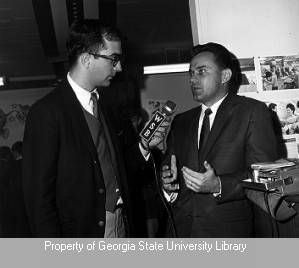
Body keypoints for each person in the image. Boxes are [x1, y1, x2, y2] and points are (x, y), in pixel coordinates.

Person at [22, 19, 168, 238]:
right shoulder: (47, 112)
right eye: (113, 59)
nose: (119, 67)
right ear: (87, 59)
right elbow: (38, 198)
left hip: (122, 224)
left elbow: (116, 169)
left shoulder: (108, 108)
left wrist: (145, 146)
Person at [161, 42, 278, 237]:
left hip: (227, 233)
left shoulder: (252, 113)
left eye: (201, 71)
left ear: (225, 76)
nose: (192, 79)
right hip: (180, 231)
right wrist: (168, 183)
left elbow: (264, 176)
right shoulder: (181, 121)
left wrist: (219, 185)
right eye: (191, 73)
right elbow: (169, 169)